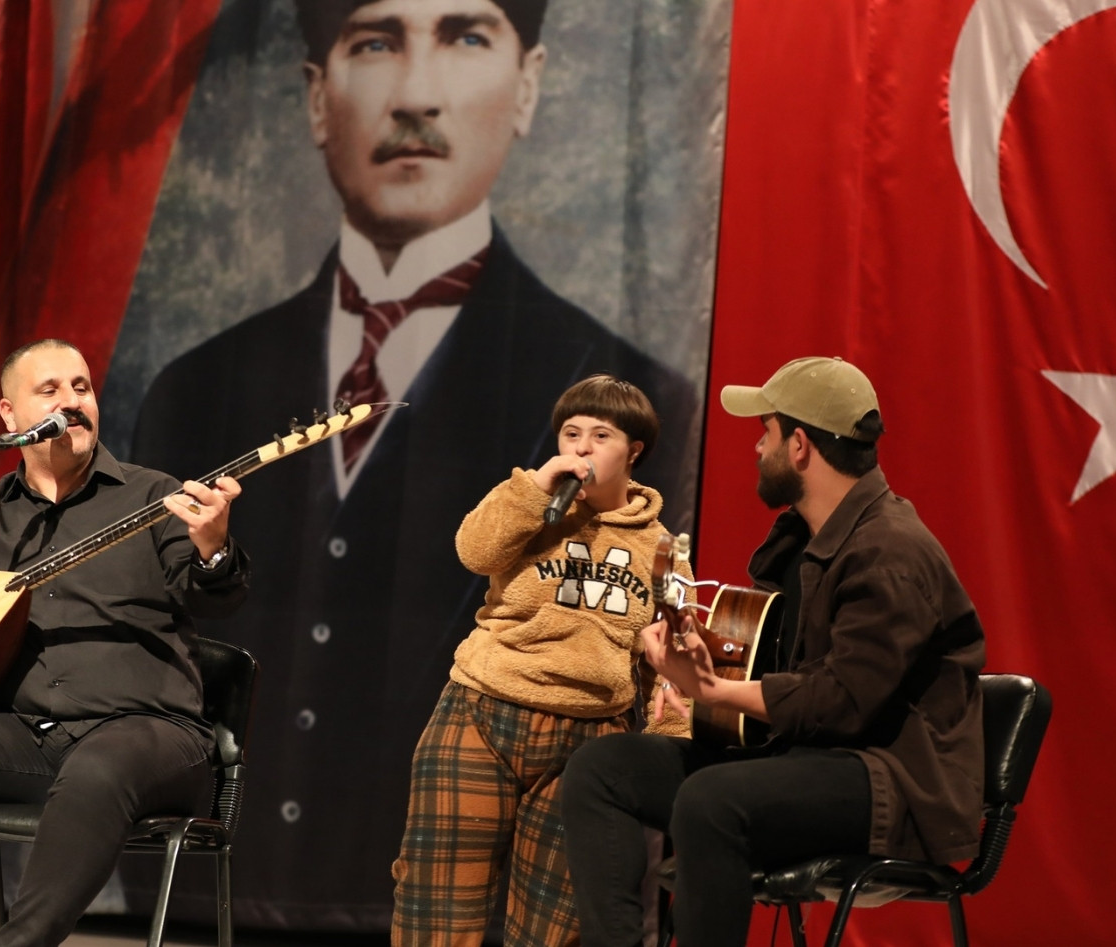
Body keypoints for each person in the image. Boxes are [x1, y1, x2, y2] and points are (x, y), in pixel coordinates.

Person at [126, 0, 699, 923]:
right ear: (317, 98)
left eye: (466, 37)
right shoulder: (195, 385)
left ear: (528, 85)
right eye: (375, 42)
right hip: (245, 881)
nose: (416, 95)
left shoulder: (634, 384)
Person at [559, 356, 987, 947]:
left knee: (711, 802)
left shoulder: (892, 551)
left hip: (890, 781)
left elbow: (841, 701)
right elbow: (770, 660)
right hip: (802, 755)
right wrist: (696, 654)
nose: (758, 448)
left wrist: (712, 689)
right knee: (602, 770)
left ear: (801, 446)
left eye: (767, 433)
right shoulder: (804, 541)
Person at [0, 339, 250, 947]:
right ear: (9, 418)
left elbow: (216, 595)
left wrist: (214, 546)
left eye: (81, 388)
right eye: (51, 391)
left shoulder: (152, 496)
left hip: (153, 739)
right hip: (32, 738)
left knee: (99, 767)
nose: (73, 402)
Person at [390, 375, 692, 947]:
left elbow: (669, 660)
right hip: (481, 714)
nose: (580, 447)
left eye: (600, 435)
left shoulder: (661, 549)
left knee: (555, 927)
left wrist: (669, 740)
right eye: (570, 433)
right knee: (437, 907)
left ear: (635, 452)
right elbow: (473, 552)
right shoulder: (531, 506)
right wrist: (532, 493)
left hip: (587, 741)